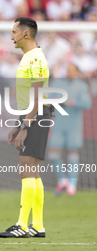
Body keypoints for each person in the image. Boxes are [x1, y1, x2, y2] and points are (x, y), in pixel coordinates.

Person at [0, 17, 49, 238]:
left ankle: (22, 225)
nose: (11, 36)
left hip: (37, 116)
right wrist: (19, 125)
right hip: (33, 116)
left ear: (25, 34)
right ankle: (37, 225)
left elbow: (36, 98)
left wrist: (26, 126)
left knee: (26, 170)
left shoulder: (35, 58)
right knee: (32, 172)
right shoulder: (30, 57)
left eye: (14, 31)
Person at [48, 63, 91, 196]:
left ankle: (72, 185)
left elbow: (87, 104)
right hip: (59, 125)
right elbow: (48, 98)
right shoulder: (57, 84)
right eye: (67, 70)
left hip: (74, 126)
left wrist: (71, 102)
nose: (69, 72)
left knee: (73, 154)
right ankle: (62, 181)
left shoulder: (81, 86)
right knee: (53, 154)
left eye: (72, 70)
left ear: (77, 72)